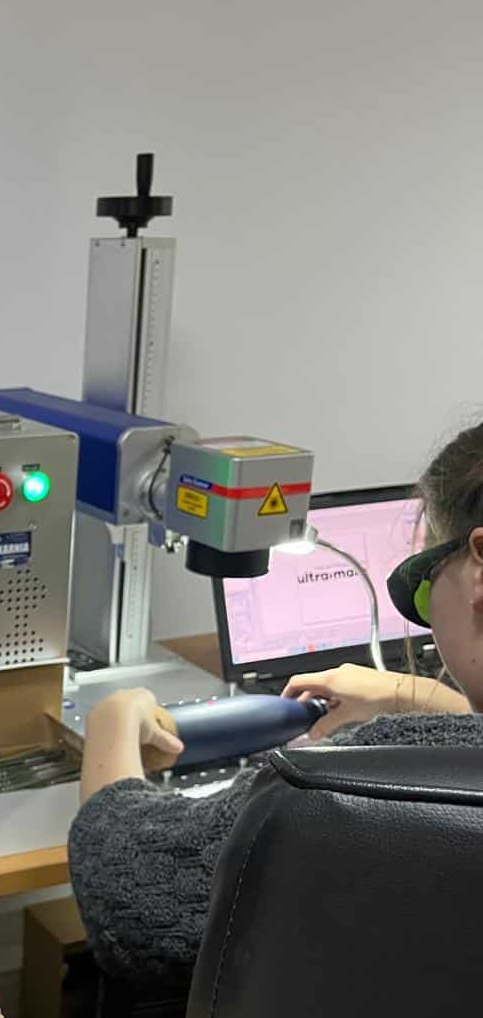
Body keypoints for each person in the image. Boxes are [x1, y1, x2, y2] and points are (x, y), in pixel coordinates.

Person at [69, 420, 483, 987]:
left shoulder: (363, 777)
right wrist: (428, 699)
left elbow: (127, 892)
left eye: (426, 581)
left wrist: (111, 723)